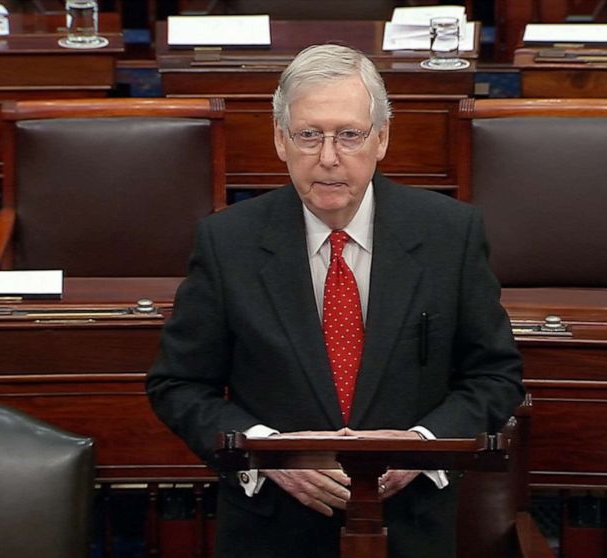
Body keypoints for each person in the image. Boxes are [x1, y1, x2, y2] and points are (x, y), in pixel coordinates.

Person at [147, 44, 524, 558]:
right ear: (280, 140)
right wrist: (267, 453)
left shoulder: (448, 234)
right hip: (272, 531)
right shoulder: (227, 242)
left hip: (410, 527)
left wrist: (422, 442)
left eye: (349, 134)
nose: (328, 157)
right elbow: (179, 384)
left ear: (382, 138)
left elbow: (494, 376)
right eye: (308, 135)